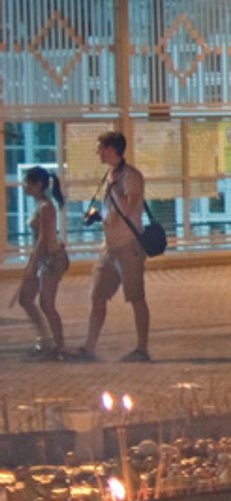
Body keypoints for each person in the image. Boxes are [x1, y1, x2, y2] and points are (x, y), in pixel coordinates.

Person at [76, 130, 152, 362]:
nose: (97, 152)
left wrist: (115, 189)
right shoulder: (110, 175)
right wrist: (97, 215)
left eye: (100, 147)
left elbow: (128, 207)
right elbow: (112, 211)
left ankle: (142, 348)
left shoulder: (130, 176)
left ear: (111, 149)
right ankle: (89, 346)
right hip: (108, 247)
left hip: (128, 245)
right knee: (97, 295)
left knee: (135, 297)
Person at [14, 167, 70, 358]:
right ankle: (44, 339)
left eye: (27, 183)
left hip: (51, 258)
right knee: (25, 298)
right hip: (42, 258)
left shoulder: (46, 207)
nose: (24, 187)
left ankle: (59, 345)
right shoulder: (39, 205)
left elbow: (44, 240)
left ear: (38, 185)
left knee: (46, 303)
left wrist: (32, 265)